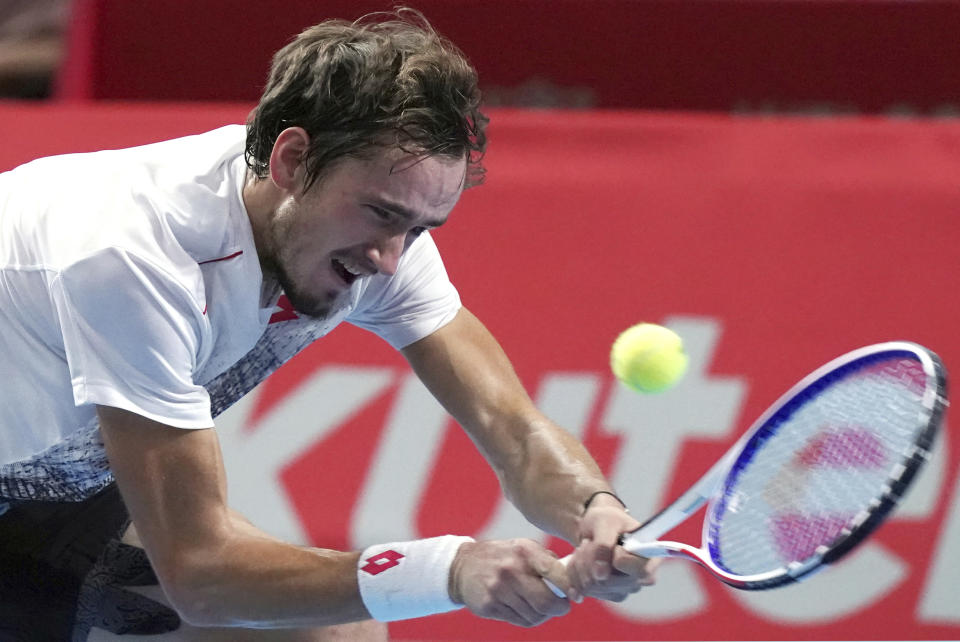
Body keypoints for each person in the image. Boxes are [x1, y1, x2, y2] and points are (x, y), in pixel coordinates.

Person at [0, 9, 655, 640]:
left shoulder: (374, 242)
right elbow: (199, 570)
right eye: (380, 213)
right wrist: (451, 570)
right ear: (291, 161)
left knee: (334, 626)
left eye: (417, 228)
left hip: (45, 491)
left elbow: (513, 430)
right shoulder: (132, 252)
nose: (390, 258)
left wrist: (594, 509)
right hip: (35, 488)